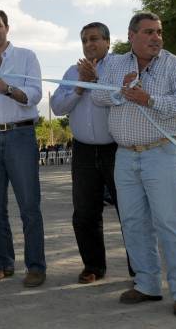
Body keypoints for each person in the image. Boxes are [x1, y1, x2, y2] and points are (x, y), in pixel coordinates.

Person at [92, 11, 176, 318]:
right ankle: (147, 284)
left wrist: (148, 99)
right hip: (125, 155)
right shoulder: (112, 64)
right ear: (132, 36)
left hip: (162, 153)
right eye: (149, 32)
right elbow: (98, 98)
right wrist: (119, 92)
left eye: (159, 32)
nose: (156, 38)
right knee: (134, 223)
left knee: (169, 223)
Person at [50, 22, 133, 284]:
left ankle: (140, 269)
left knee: (130, 210)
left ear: (108, 42)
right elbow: (58, 107)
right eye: (84, 40)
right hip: (84, 151)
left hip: (117, 149)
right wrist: (79, 87)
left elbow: (124, 96)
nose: (89, 44)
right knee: (85, 212)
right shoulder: (72, 71)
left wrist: (95, 81)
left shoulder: (121, 67)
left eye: (95, 39)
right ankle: (93, 266)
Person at [0, 9, 46, 287]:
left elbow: (35, 95)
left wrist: (7, 89)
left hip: (20, 135)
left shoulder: (27, 57)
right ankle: (3, 263)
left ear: (7, 27)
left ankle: (36, 266)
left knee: (29, 205)